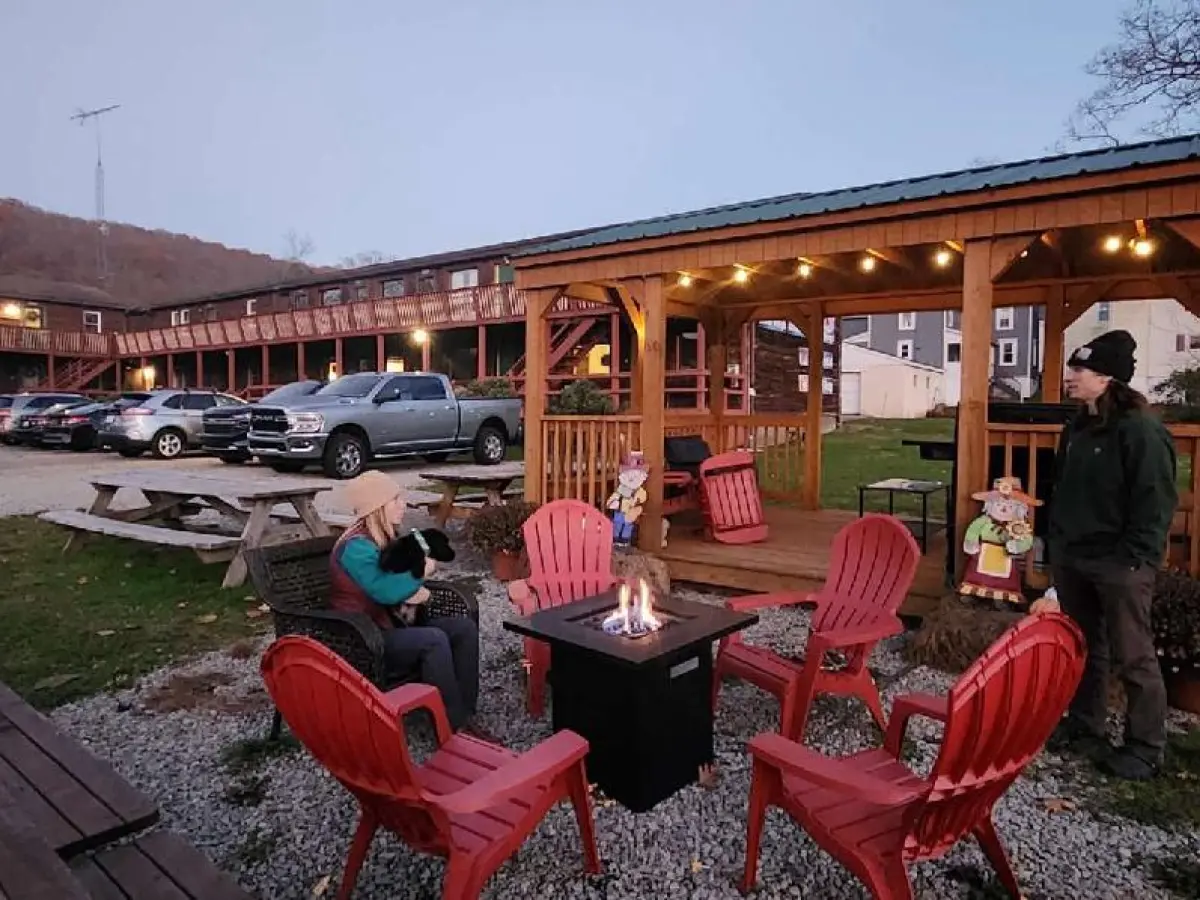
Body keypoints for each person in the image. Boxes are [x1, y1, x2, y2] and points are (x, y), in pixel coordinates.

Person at [1046, 329, 1176, 781]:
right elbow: (1062, 489)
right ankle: (1086, 726)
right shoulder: (1077, 427)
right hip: (1074, 557)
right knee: (1086, 649)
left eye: (1079, 370)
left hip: (1121, 563)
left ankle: (1145, 747)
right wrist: (1057, 544)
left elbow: (1155, 500)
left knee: (1133, 655)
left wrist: (1136, 558)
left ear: (1107, 379)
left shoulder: (1140, 430)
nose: (1070, 377)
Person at [330, 470, 486, 736]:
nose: (403, 505)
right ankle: (453, 727)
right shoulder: (356, 547)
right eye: (395, 500)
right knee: (433, 639)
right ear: (377, 508)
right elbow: (386, 591)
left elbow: (394, 584)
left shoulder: (384, 537)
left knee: (463, 629)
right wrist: (420, 575)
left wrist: (413, 591)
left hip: (392, 623)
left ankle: (464, 713)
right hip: (366, 637)